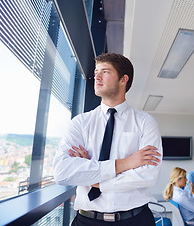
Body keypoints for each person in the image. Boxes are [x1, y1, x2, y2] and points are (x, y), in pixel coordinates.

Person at [53, 53, 162, 226]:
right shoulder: (80, 123)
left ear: (123, 79)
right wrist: (126, 163)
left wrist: (92, 178)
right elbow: (61, 171)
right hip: (86, 221)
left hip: (135, 220)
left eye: (105, 71)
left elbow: (148, 176)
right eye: (96, 71)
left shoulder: (145, 122)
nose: (96, 76)